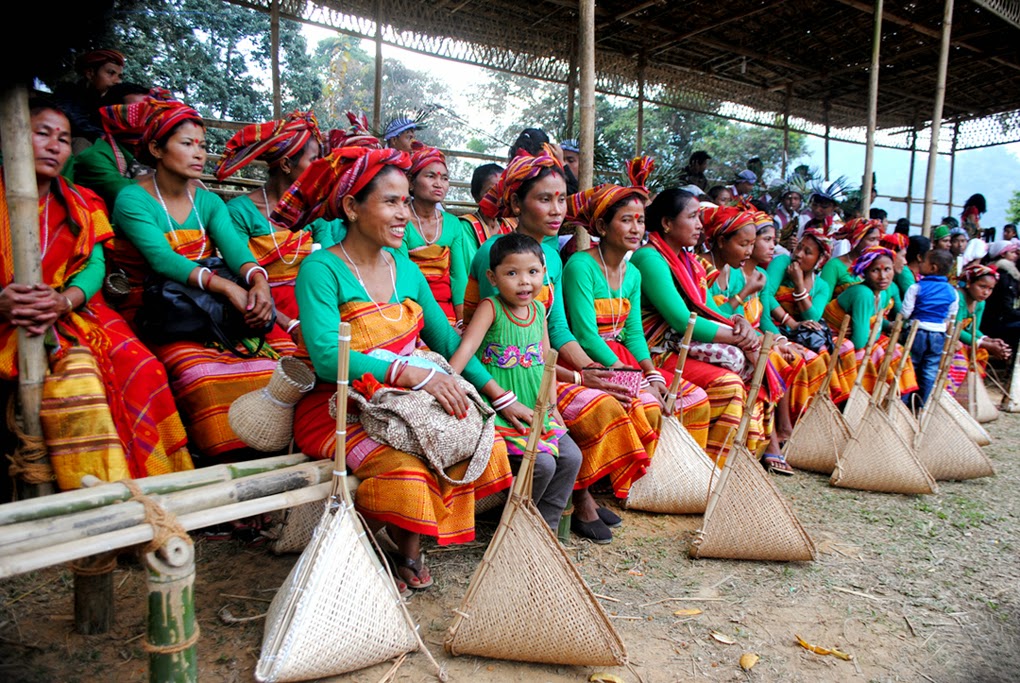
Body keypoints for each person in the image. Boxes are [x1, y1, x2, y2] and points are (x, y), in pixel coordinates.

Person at [277, 145, 515, 590]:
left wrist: (499, 395)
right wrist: (415, 375)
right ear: (352, 207)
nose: (404, 212)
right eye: (391, 201)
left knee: (478, 440)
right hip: (337, 407)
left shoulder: (404, 267)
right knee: (406, 468)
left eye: (405, 200)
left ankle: (404, 542)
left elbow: (448, 343)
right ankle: (369, 546)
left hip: (405, 403)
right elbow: (327, 357)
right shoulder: (321, 269)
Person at [465, 147, 660, 543]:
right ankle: (578, 501)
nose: (557, 210)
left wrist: (591, 371)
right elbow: (498, 336)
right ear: (516, 204)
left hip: (538, 368)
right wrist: (577, 379)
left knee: (612, 394)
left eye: (561, 199)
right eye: (544, 199)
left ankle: (567, 506)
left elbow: (556, 329)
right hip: (500, 374)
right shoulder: (496, 253)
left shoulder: (550, 257)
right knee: (599, 406)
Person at [0, 100, 191, 487]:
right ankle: (98, 490)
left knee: (145, 368)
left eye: (63, 139)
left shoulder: (83, 202)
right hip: (11, 317)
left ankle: (158, 482)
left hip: (77, 310)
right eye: (42, 134)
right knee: (80, 381)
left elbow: (94, 265)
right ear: (12, 137)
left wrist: (64, 300)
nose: (54, 146)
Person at [110, 96, 280, 458]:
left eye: (202, 145)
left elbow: (236, 252)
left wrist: (259, 282)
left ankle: (268, 460)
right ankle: (221, 463)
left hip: (208, 309)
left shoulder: (208, 202)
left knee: (278, 364)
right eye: (187, 144)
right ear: (156, 149)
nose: (199, 153)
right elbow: (161, 259)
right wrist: (227, 287)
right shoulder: (132, 200)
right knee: (201, 377)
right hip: (156, 310)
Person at [562, 158, 712, 448]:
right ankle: (639, 472)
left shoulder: (633, 274)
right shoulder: (581, 265)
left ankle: (682, 468)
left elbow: (633, 334)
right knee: (650, 405)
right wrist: (631, 375)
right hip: (589, 359)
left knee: (694, 398)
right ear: (602, 226)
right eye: (626, 220)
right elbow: (585, 335)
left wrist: (650, 372)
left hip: (622, 357)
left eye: (640, 220)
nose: (635, 228)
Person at [450, 233, 581, 532]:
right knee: (542, 464)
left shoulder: (538, 311)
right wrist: (447, 381)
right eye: (512, 273)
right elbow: (467, 349)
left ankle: (544, 528)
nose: (524, 282)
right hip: (501, 412)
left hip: (536, 408)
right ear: (492, 278)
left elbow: (547, 362)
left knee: (572, 457)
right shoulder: (491, 308)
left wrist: (553, 407)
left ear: (544, 273)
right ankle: (514, 525)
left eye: (533, 272)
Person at [630, 190, 770, 462]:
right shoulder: (649, 259)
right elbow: (683, 321)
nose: (699, 225)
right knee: (730, 385)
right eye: (692, 217)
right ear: (667, 223)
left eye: (699, 218)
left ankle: (715, 467)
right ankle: (701, 465)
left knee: (746, 372)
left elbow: (709, 310)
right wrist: (739, 337)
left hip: (678, 348)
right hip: (655, 353)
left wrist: (738, 322)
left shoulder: (688, 262)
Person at [215, 111, 343, 351]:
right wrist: (288, 323)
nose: (319, 167)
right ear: (285, 164)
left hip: (310, 301)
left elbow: (328, 264)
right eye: (313, 160)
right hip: (263, 307)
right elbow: (238, 275)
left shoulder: (314, 210)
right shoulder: (240, 212)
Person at [822, 247, 918, 397]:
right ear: (865, 272)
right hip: (831, 336)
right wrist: (867, 331)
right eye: (875, 271)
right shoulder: (863, 294)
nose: (883, 276)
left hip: (853, 335)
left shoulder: (882, 294)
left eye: (887, 269)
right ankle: (858, 397)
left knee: (895, 349)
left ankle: (892, 396)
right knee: (869, 352)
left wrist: (868, 330)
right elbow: (859, 341)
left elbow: (874, 329)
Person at [400, 144, 471, 327]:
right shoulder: (400, 220)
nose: (439, 184)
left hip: (447, 312)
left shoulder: (453, 224)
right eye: (430, 176)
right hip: (410, 308)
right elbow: (402, 276)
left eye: (444, 178)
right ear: (411, 182)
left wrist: (462, 321)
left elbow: (458, 277)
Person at [72, 82, 153, 211]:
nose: (146, 119)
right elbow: (124, 193)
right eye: (136, 112)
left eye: (149, 112)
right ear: (113, 117)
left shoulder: (151, 151)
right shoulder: (93, 157)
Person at [901, 249, 958, 406]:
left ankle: (903, 404)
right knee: (930, 370)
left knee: (910, 366)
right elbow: (951, 316)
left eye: (923, 261)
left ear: (933, 268)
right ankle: (921, 405)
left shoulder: (916, 288)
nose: (920, 263)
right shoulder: (953, 292)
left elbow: (905, 313)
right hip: (938, 334)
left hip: (916, 331)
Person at [946, 263, 1013, 395]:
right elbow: (956, 329)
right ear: (969, 283)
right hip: (948, 336)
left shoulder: (980, 303)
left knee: (981, 352)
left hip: (961, 338)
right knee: (961, 358)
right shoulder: (958, 298)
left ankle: (968, 393)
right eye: (982, 286)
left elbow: (972, 329)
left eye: (990, 289)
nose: (986, 292)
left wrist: (989, 340)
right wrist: (985, 344)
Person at [54, 49, 125, 146]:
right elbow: (72, 118)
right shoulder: (68, 91)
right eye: (111, 73)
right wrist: (103, 136)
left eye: (120, 76)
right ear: (90, 73)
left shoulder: (110, 102)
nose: (118, 81)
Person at [459, 163, 516, 259]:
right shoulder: (466, 226)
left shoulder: (510, 226)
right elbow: (471, 264)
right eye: (490, 192)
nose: (498, 197)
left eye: (502, 191)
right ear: (476, 196)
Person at [820, 217, 882, 298]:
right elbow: (823, 299)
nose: (876, 245)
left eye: (878, 240)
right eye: (872, 239)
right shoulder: (833, 266)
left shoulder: (877, 264)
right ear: (857, 240)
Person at [979, 241, 1020, 352]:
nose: (1015, 255)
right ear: (1003, 254)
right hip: (995, 323)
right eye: (1012, 252)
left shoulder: (1006, 274)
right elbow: (1006, 309)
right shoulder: (1004, 276)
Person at [774, 185, 808, 253]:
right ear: (782, 200)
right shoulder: (776, 217)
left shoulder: (798, 217)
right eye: (789, 199)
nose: (792, 202)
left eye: (796, 199)